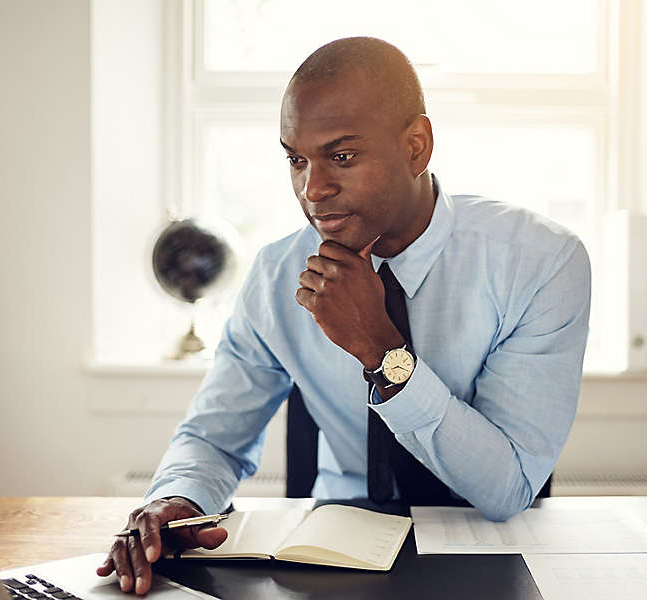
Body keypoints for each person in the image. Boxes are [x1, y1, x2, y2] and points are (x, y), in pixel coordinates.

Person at [97, 37, 591, 594]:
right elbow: (216, 437)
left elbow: (506, 490)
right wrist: (177, 500)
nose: (312, 189)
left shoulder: (542, 261)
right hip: (330, 557)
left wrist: (382, 352)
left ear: (416, 147)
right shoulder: (275, 275)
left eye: (341, 156)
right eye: (295, 159)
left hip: (493, 554)